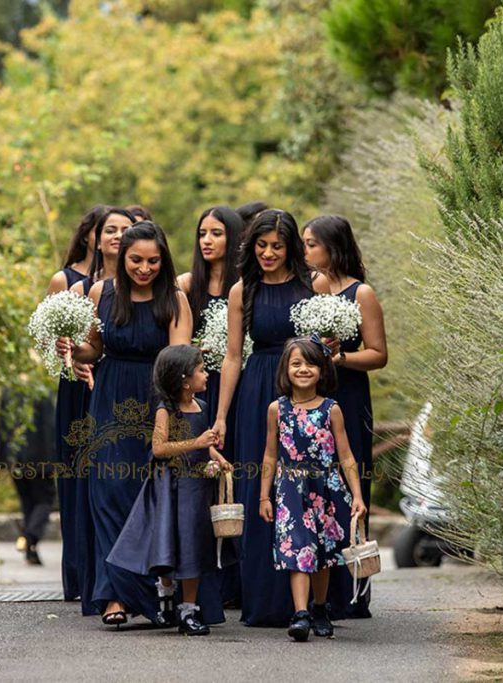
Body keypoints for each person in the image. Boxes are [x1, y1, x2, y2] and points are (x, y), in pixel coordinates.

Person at [60, 221, 192, 626]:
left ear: (164, 260)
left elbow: (180, 361)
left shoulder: (175, 299)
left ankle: (155, 593)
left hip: (157, 401)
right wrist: (70, 346)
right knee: (108, 493)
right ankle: (113, 595)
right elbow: (93, 349)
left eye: (153, 261)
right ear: (122, 257)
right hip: (109, 398)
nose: (144, 268)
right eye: (136, 260)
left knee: (148, 495)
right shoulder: (101, 293)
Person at [212, 208, 315, 626]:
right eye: (261, 245)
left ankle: (307, 603)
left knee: (305, 488)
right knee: (260, 487)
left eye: (277, 246)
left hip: (301, 391)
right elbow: (233, 355)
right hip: (256, 391)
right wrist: (221, 416)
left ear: (291, 248)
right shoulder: (243, 290)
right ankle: (263, 600)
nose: (268, 253)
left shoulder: (312, 285)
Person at [107, 345, 233, 635]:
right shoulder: (167, 410)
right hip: (172, 487)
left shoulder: (201, 407)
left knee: (193, 544)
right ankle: (166, 598)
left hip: (197, 488)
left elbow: (206, 445)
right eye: (201, 370)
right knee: (169, 540)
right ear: (184, 379)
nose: (206, 375)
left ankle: (188, 610)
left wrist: (218, 458)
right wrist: (196, 443)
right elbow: (159, 448)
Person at [302, 215, 388, 618]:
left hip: (350, 396)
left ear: (332, 247)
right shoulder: (313, 288)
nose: (305, 251)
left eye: (311, 244)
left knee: (350, 483)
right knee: (316, 488)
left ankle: (352, 592)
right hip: (314, 397)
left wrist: (341, 358)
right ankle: (316, 591)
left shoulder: (361, 293)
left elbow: (379, 354)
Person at [258, 337, 367, 641]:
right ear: (285, 369)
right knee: (298, 548)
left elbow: (346, 455)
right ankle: (300, 614)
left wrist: (357, 495)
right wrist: (264, 495)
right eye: (296, 364)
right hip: (290, 490)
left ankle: (319, 607)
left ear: (322, 370)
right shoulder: (276, 409)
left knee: (322, 551)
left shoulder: (331, 409)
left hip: (326, 489)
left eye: (310, 364)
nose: (303, 369)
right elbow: (270, 454)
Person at [177, 205, 245, 608]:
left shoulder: (244, 286)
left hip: (238, 386)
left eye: (216, 233)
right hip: (198, 389)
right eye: (202, 233)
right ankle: (202, 583)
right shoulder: (186, 285)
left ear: (233, 238)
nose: (207, 240)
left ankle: (239, 580)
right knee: (201, 478)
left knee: (236, 476)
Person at [46, 205, 108, 601]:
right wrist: (72, 361)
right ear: (88, 235)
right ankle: (77, 572)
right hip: (75, 387)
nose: (114, 238)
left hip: (109, 382)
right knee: (74, 474)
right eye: (105, 230)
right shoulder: (64, 280)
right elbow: (49, 342)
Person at [0, 390, 59, 566]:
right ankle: (29, 537)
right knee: (45, 501)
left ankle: (31, 551)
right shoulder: (41, 392)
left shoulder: (9, 393)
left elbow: (3, 428)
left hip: (15, 459)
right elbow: (50, 428)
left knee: (28, 504)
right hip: (40, 459)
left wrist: (1, 459)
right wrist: (54, 460)